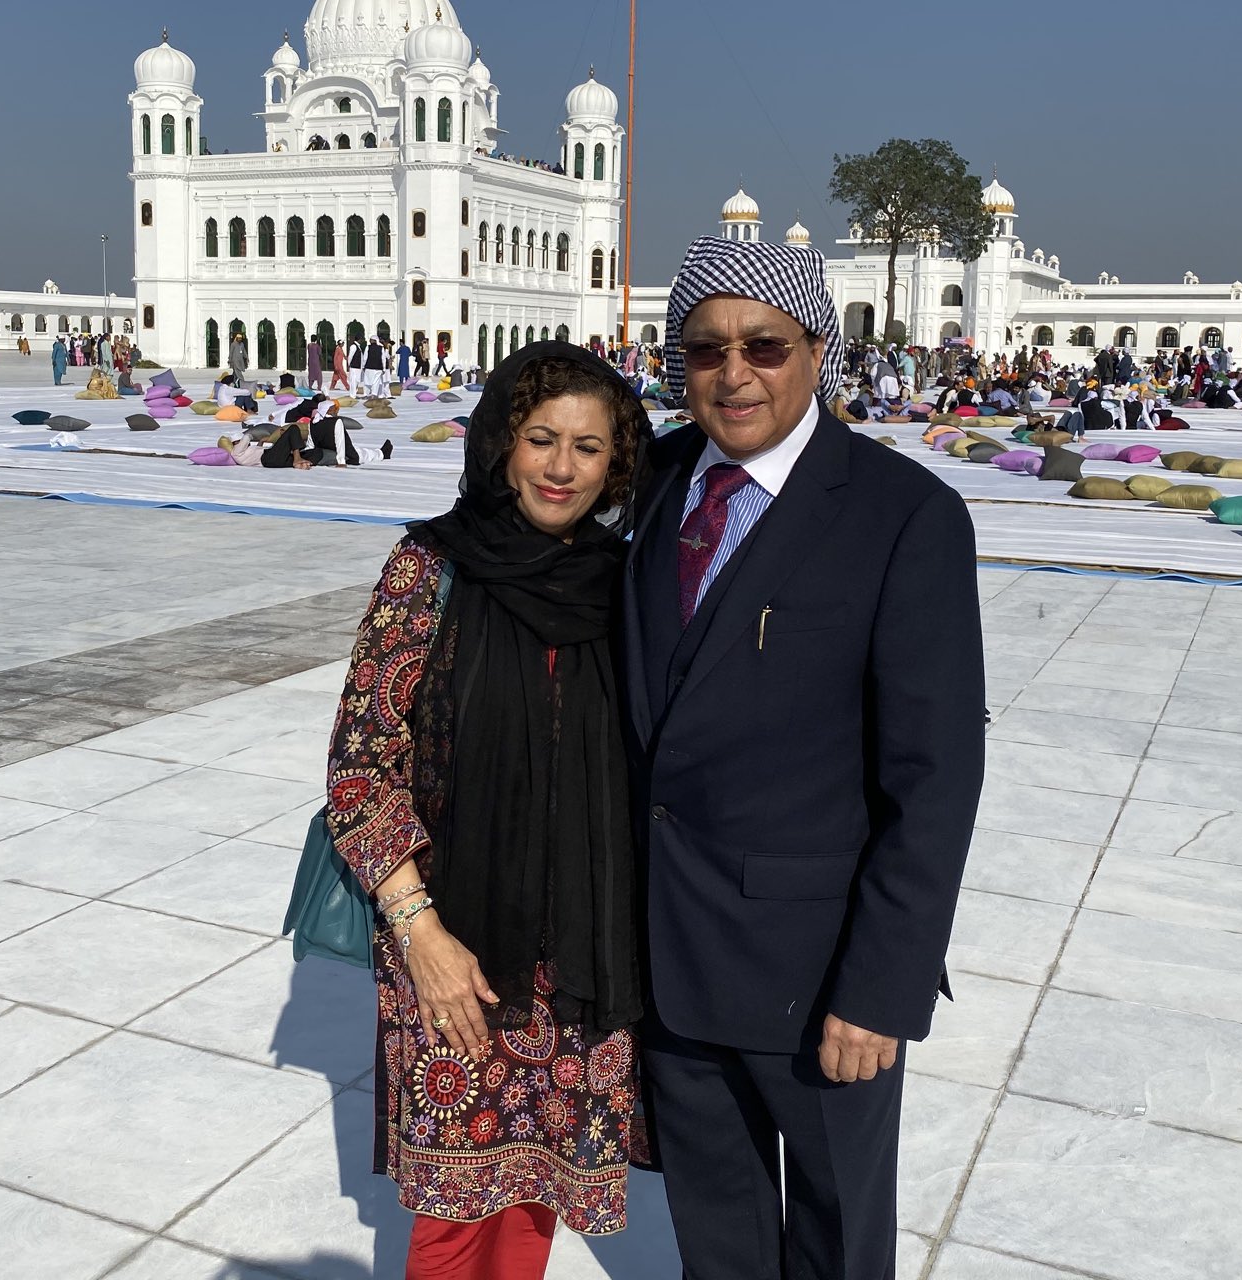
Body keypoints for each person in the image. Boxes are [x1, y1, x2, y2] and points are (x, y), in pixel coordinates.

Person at [622, 236, 985, 1280]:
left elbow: (933, 776)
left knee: (835, 1238)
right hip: (668, 953)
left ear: (817, 350)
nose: (733, 373)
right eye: (705, 349)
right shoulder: (653, 482)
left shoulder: (900, 514)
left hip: (817, 976)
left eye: (764, 346)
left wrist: (881, 987)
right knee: (716, 1236)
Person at [325, 342, 649, 1277]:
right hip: (453, 940)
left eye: (588, 447)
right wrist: (421, 934)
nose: (561, 468)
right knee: (455, 1215)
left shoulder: (622, 583)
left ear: (617, 464)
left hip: (583, 949)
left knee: (535, 1192)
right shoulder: (432, 568)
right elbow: (360, 767)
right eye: (541, 439)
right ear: (502, 443)